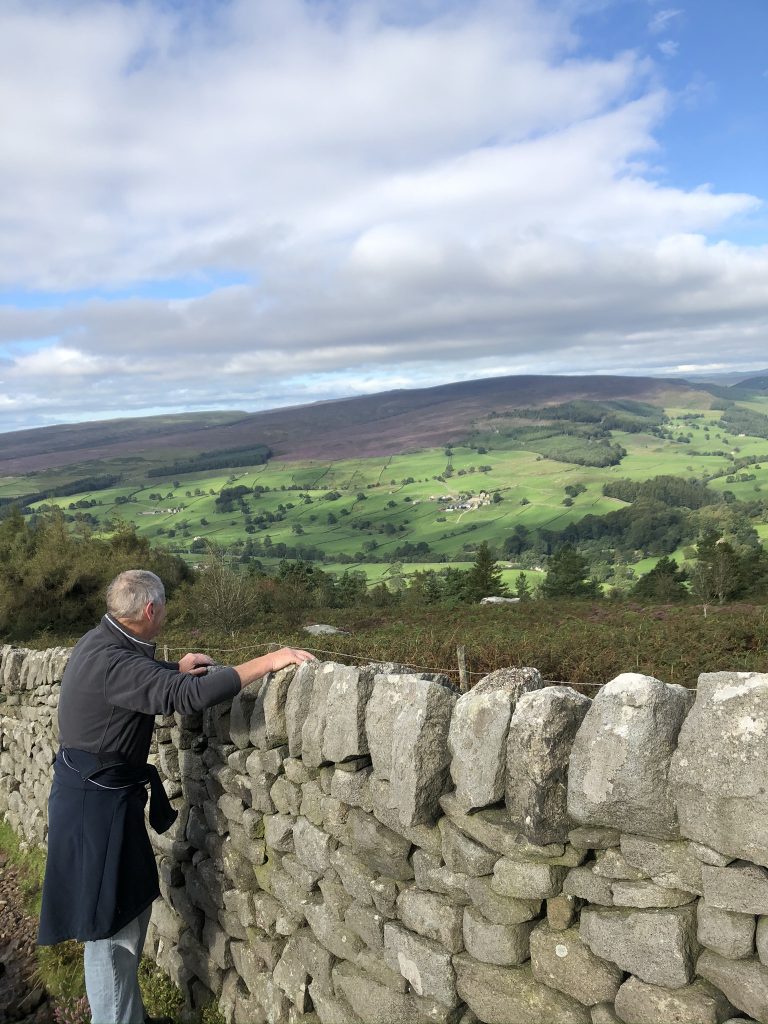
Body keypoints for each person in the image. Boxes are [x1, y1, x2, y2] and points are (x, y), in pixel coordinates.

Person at [37, 569, 314, 1024]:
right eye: (163, 608)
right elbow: (189, 697)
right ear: (151, 610)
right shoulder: (114, 659)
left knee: (120, 917)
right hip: (97, 812)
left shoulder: (101, 641)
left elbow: (141, 680)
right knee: (110, 930)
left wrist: (172, 667)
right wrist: (270, 660)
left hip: (96, 802)